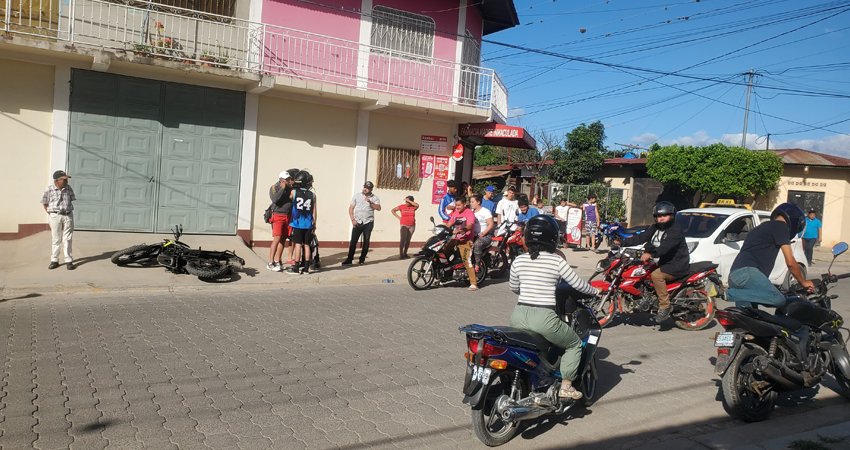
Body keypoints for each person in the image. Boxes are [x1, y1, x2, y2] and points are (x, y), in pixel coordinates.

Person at [509, 215, 600, 399]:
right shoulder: (556, 261)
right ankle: (566, 387)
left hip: (518, 315)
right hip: (544, 317)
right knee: (574, 344)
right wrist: (595, 291)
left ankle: (538, 383)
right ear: (553, 237)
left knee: (538, 347)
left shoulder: (518, 260)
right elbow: (577, 284)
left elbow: (514, 288)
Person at [726, 203, 813, 308]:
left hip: (736, 276)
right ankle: (727, 293)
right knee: (777, 298)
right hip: (747, 274)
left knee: (749, 318)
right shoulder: (781, 227)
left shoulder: (762, 227)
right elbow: (790, 262)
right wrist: (803, 282)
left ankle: (730, 294)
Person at [616, 201, 689, 322]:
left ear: (671, 216)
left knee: (656, 276)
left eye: (664, 216)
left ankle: (665, 306)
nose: (661, 219)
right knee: (639, 270)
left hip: (676, 264)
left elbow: (666, 246)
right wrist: (622, 243)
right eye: (659, 216)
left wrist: (651, 254)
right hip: (662, 262)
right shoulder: (655, 228)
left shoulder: (675, 230)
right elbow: (641, 237)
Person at [41, 170, 76, 270]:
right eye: (64, 179)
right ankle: (54, 260)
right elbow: (44, 202)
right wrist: (51, 214)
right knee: (56, 238)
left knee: (68, 238)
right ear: (57, 180)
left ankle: (68, 260)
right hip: (55, 215)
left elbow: (72, 199)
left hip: (68, 215)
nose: (66, 181)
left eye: (66, 179)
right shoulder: (49, 189)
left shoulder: (68, 188)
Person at [443, 197, 478, 291]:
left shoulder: (469, 213)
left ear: (464, 205)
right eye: (456, 205)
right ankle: (444, 276)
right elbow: (449, 224)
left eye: (459, 205)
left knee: (466, 260)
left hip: (466, 240)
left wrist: (461, 230)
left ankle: (474, 283)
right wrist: (442, 230)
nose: (457, 207)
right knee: (443, 253)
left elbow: (470, 225)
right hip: (456, 239)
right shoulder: (455, 213)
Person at [343, 181, 381, 265]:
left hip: (368, 222)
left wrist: (371, 202)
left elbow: (378, 208)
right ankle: (349, 260)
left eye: (367, 188)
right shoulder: (357, 196)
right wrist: (353, 219)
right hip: (358, 222)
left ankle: (362, 260)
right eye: (364, 187)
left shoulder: (375, 198)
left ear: (371, 189)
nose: (365, 189)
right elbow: (351, 208)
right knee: (353, 241)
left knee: (366, 241)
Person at [286, 171, 317, 275]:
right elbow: (314, 211)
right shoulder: (312, 195)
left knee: (298, 244)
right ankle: (306, 268)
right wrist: (314, 224)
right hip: (308, 223)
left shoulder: (294, 192)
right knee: (307, 245)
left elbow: (289, 198)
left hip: (298, 223)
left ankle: (296, 267)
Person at [267, 170, 294, 272]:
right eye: (286, 180)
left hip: (288, 216)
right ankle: (270, 262)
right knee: (277, 238)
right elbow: (275, 199)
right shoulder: (274, 187)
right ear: (281, 180)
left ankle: (278, 260)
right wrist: (282, 189)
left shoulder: (290, 188)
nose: (288, 181)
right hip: (278, 215)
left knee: (283, 239)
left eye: (288, 179)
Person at [470, 194, 495, 272]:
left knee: (477, 245)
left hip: (485, 236)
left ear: (478, 202)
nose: (471, 204)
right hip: (473, 235)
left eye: (472, 202)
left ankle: (477, 264)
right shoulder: (471, 212)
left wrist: (483, 233)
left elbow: (491, 224)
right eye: (470, 202)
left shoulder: (485, 211)